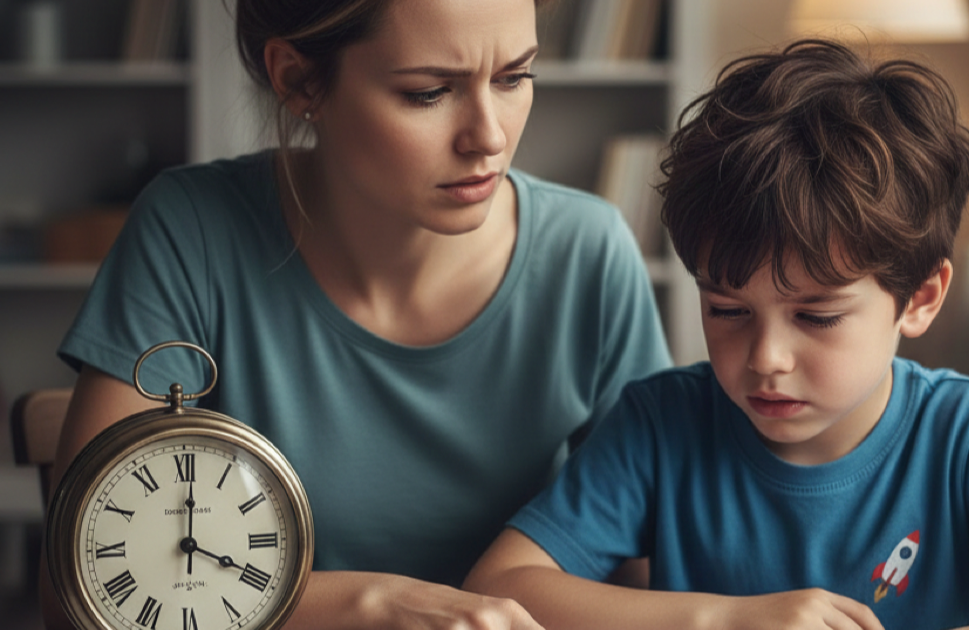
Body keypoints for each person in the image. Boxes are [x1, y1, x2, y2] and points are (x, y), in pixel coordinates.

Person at [463, 39, 969, 630]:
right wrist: (726, 620)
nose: (765, 360)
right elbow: (503, 585)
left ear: (920, 299)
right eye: (727, 309)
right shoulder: (661, 423)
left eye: (817, 316)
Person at [40, 0, 672, 628]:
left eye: (513, 78)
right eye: (428, 92)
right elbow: (80, 590)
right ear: (298, 79)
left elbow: (647, 574)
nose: (490, 136)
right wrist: (373, 605)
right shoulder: (191, 231)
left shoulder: (589, 252)